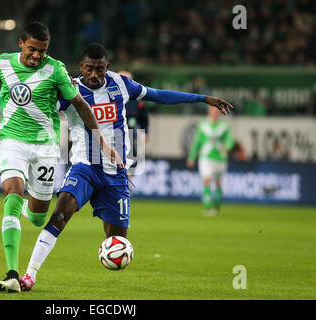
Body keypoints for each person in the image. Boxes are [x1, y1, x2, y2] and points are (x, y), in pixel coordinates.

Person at [18, 43, 233, 291]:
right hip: (84, 166)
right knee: (61, 213)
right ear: (81, 67)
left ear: (107, 67)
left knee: (117, 241)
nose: (94, 74)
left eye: (100, 69)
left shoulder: (120, 84)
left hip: (116, 174)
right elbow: (42, 112)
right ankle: (29, 275)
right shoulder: (70, 89)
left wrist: (203, 98)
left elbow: (158, 95)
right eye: (89, 69)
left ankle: (108, 249)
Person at [0, 23, 122, 293]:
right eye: (32, 50)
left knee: (38, 217)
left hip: (45, 148)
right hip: (12, 141)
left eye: (42, 51)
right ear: (21, 44)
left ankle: (28, 210)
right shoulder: (2, 63)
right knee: (12, 197)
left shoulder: (56, 70)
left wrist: (100, 139)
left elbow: (81, 105)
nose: (37, 55)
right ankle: (13, 273)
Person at [186, 107, 235, 216]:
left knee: (217, 183)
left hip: (220, 158)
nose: (214, 113)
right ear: (209, 112)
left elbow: (230, 140)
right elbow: (197, 142)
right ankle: (207, 206)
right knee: (207, 180)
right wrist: (192, 157)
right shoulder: (203, 125)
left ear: (219, 113)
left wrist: (227, 146)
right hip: (206, 157)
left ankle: (216, 205)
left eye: (216, 112)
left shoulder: (224, 126)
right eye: (212, 111)